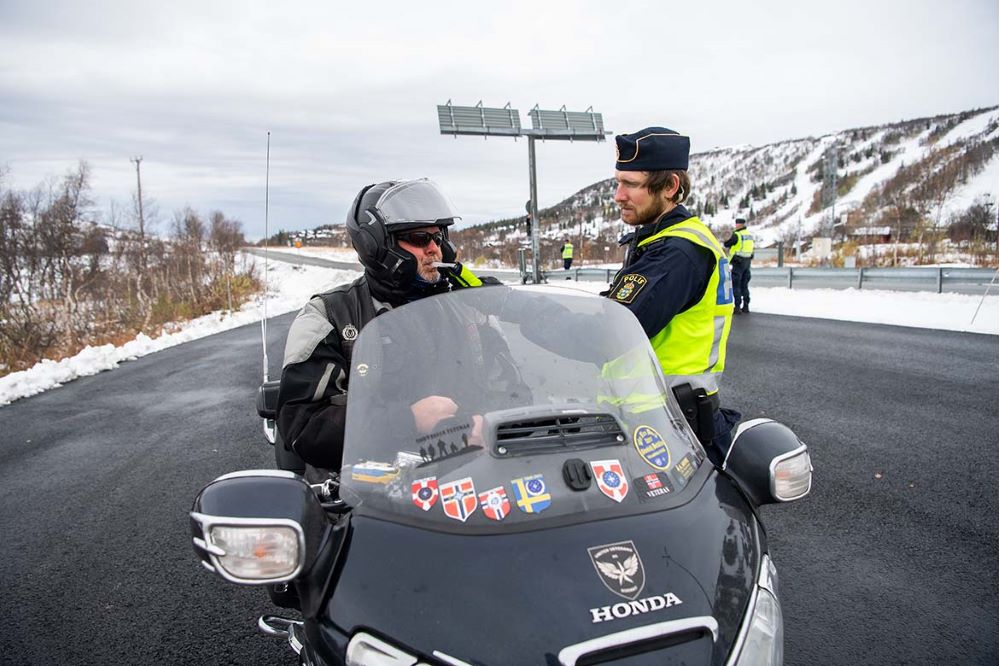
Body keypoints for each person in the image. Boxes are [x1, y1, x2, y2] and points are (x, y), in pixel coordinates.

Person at [275, 178, 496, 473]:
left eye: (439, 237)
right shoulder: (330, 316)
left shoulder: (465, 308)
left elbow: (513, 389)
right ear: (377, 244)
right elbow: (303, 426)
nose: (435, 249)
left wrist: (493, 424)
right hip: (371, 489)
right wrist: (406, 421)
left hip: (476, 474)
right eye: (419, 238)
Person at [603, 126, 739, 465]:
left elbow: (611, 328)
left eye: (631, 185)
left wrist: (526, 314)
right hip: (657, 414)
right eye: (617, 183)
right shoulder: (660, 241)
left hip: (671, 426)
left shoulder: (678, 252)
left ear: (670, 187)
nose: (619, 195)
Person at [724, 218, 754, 314]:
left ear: (739, 225)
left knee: (736, 284)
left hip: (738, 262)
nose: (736, 225)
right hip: (747, 262)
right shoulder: (749, 235)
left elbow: (727, 244)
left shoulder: (737, 235)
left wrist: (725, 242)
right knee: (744, 284)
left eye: (737, 224)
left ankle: (737, 307)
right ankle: (746, 306)